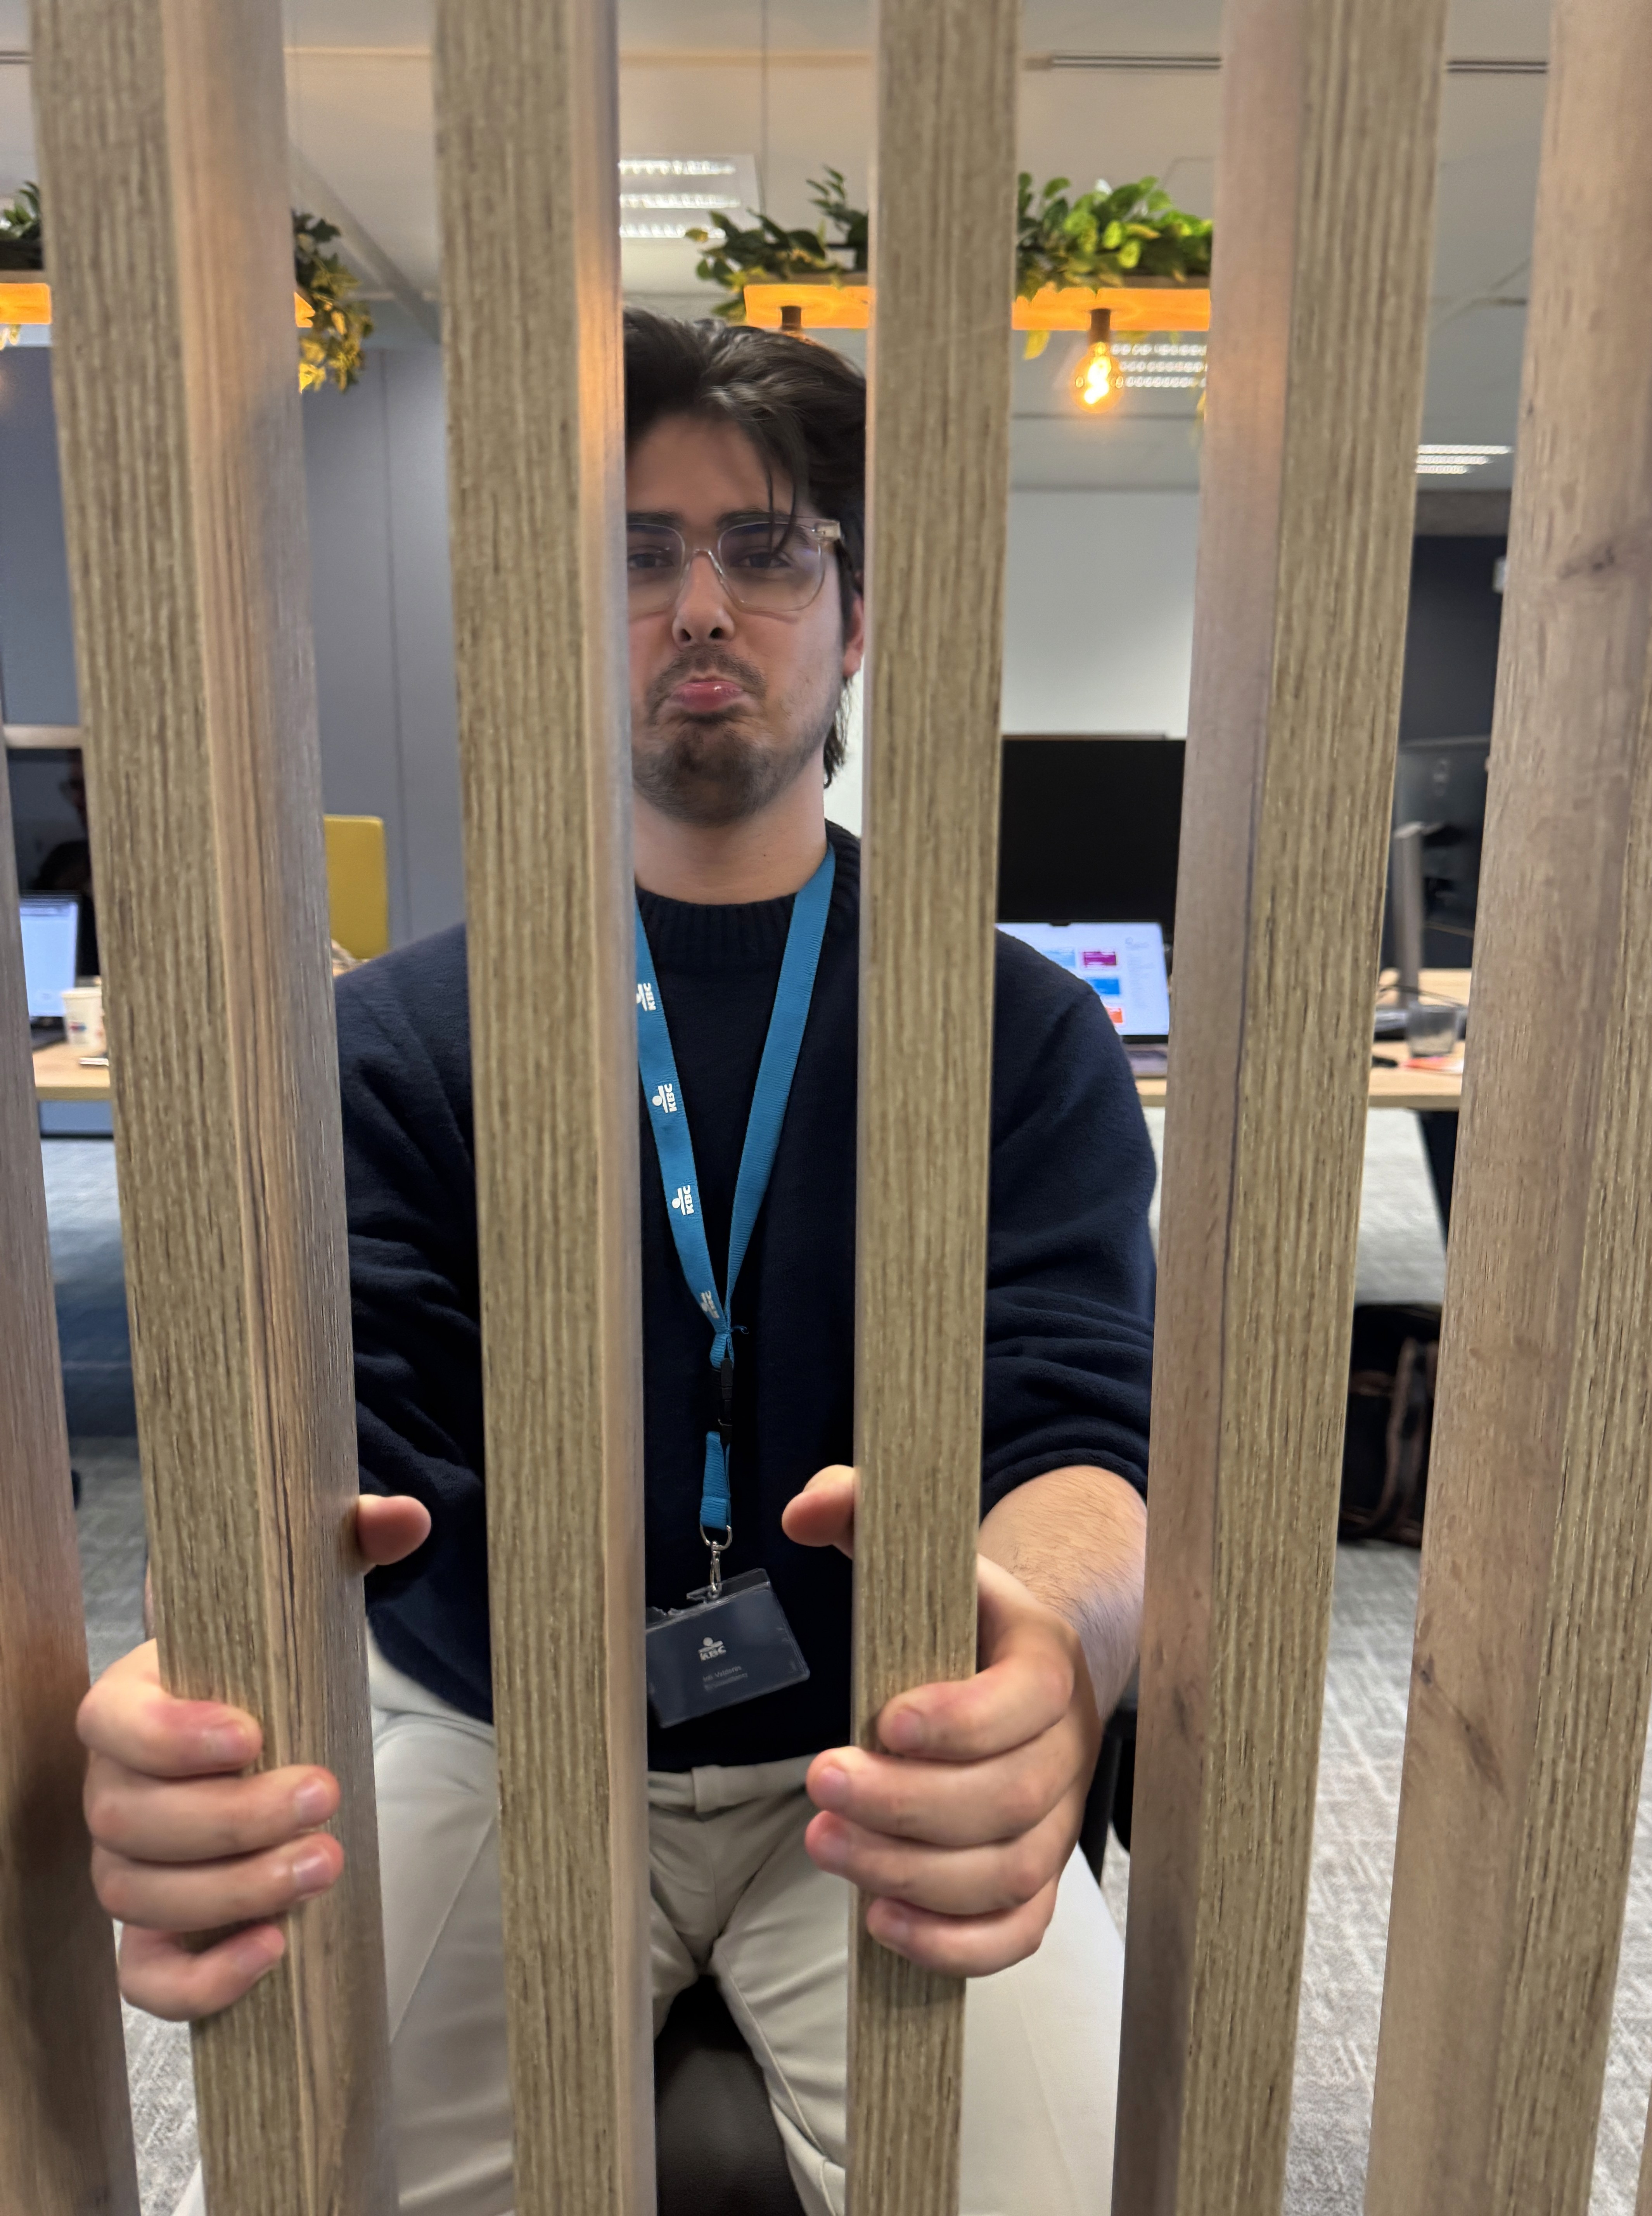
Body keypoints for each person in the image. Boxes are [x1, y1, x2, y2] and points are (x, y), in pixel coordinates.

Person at [77, 310, 1156, 2216]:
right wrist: (200, 1659)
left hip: (870, 1741)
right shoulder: (399, 1044)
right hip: (493, 1735)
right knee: (284, 2175)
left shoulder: (1018, 1036)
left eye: (766, 547)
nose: (701, 605)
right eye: (637, 553)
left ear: (858, 615)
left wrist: (1056, 1640)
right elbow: (324, 1440)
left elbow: (1081, 1430)